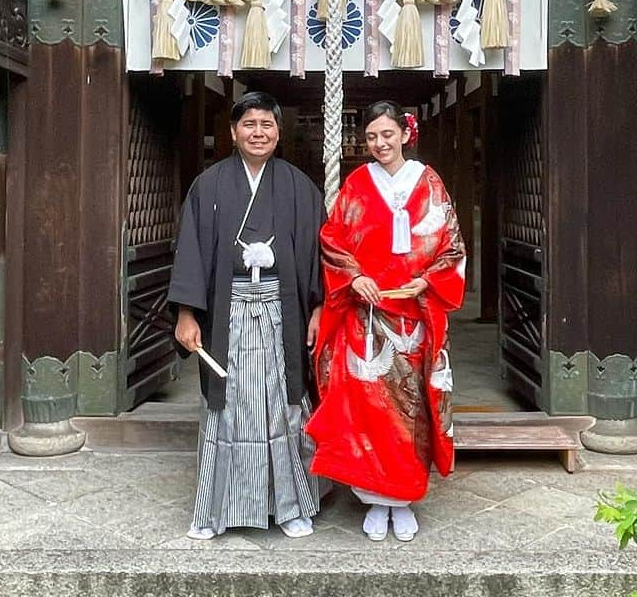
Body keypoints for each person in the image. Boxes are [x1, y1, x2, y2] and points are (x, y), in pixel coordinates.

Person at [169, 91, 325, 540]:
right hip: (228, 312)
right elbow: (192, 255)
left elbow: (318, 256)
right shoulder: (210, 185)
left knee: (282, 405)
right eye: (249, 124)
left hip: (282, 312)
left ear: (279, 132)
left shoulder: (299, 187)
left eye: (267, 125)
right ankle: (215, 511)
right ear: (233, 132)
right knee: (228, 406)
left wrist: (316, 308)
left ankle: (292, 505)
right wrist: (185, 314)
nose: (258, 133)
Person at [307, 100, 466, 542]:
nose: (379, 144)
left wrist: (427, 282)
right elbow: (333, 240)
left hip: (415, 317)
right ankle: (375, 499)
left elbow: (452, 245)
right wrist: (354, 278)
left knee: (411, 412)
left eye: (387, 135)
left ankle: (405, 497)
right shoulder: (357, 184)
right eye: (372, 137)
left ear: (404, 134)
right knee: (368, 410)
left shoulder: (429, 182)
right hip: (367, 317)